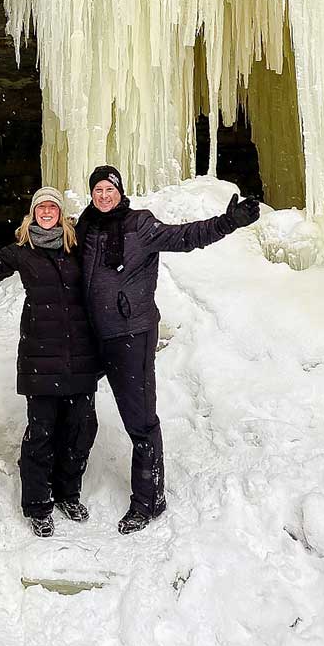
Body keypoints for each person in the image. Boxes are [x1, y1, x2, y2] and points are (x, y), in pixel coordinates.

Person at [76, 166, 260, 534]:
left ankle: (149, 500)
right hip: (92, 334)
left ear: (119, 191)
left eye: (109, 189)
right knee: (73, 405)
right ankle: (66, 486)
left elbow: (186, 236)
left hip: (131, 334)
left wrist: (228, 222)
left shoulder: (140, 225)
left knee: (140, 420)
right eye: (98, 190)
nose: (104, 196)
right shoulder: (86, 227)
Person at [0, 187, 101, 538]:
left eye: (52, 207)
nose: (46, 212)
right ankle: (38, 505)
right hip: (40, 356)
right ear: (32, 213)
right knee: (42, 433)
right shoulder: (22, 252)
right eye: (41, 207)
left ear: (60, 213)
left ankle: (68, 493)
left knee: (80, 431)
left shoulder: (76, 247)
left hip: (79, 356)